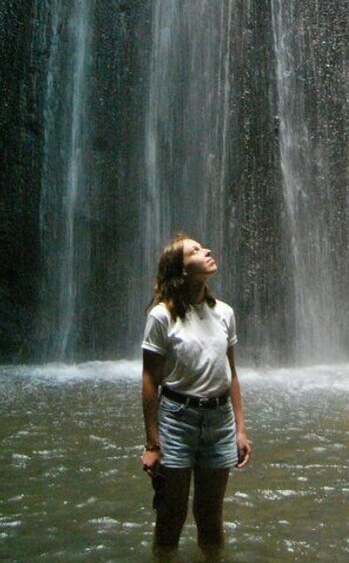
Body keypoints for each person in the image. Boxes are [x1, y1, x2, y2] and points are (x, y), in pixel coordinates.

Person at [140, 233, 252, 557]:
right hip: (177, 419)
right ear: (181, 270)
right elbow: (150, 380)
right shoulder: (161, 316)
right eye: (196, 250)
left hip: (219, 420)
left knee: (211, 515)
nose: (207, 251)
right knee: (170, 514)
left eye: (203, 248)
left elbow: (231, 374)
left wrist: (240, 430)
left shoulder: (225, 313)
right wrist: (152, 443)